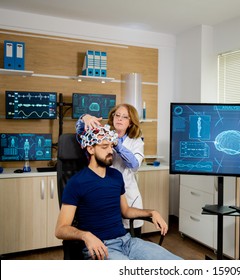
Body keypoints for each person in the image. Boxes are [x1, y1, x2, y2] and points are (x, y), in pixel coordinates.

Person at [55, 125, 181, 260]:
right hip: (101, 246)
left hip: (128, 242)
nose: (110, 151)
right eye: (104, 147)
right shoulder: (76, 182)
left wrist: (152, 212)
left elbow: (125, 211)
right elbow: (60, 229)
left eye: (111, 146)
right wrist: (86, 236)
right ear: (90, 149)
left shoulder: (116, 176)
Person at [76, 104, 144, 237]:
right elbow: (80, 134)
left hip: (128, 197)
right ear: (112, 117)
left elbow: (134, 165)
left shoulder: (136, 141)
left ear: (130, 123)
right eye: (117, 115)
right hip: (104, 193)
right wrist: (85, 117)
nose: (119, 119)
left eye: (125, 117)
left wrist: (117, 143)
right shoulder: (101, 134)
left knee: (131, 241)